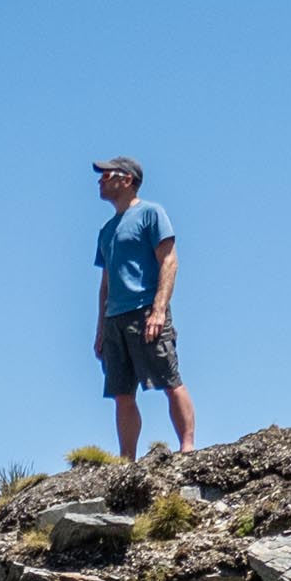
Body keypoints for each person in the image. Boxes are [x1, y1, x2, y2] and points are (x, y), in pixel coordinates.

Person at [92, 158, 196, 457]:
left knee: (169, 379)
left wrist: (159, 310)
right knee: (121, 393)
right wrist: (100, 329)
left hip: (145, 311)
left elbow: (169, 261)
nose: (100, 181)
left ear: (127, 180)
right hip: (115, 318)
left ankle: (187, 448)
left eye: (107, 175)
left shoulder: (151, 214)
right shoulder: (106, 230)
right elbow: (105, 282)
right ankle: (127, 460)